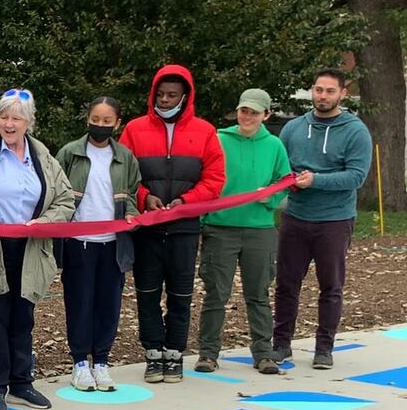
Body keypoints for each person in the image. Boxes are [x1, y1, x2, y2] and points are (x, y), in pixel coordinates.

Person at [0, 89, 74, 410]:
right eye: (3, 117)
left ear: (28, 121)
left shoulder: (44, 157)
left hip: (31, 248)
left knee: (23, 318)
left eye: (16, 117)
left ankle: (22, 382)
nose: (9, 124)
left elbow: (65, 200)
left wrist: (44, 221)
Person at [119, 65, 225, 384]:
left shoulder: (205, 132)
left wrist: (187, 201)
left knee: (181, 295)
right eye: (160, 94)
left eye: (172, 95)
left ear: (185, 97)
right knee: (147, 293)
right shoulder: (135, 130)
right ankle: (153, 353)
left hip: (184, 228)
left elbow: (215, 177)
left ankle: (174, 353)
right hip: (147, 229)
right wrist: (143, 197)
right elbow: (122, 173)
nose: (165, 100)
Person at [272, 69, 372, 370]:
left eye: (329, 91)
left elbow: (355, 177)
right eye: (318, 90)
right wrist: (285, 181)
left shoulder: (355, 131)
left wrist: (315, 180)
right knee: (286, 284)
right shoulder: (293, 128)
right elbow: (280, 167)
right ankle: (281, 344)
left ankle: (324, 348)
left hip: (335, 220)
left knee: (331, 286)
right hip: (295, 217)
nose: (322, 96)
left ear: (342, 93)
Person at [195, 89, 291, 375]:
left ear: (266, 115)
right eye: (243, 111)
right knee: (216, 293)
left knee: (258, 293)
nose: (247, 116)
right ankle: (208, 353)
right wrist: (202, 222)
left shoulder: (274, 145)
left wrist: (271, 199)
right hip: (220, 226)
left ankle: (263, 353)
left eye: (254, 112)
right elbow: (204, 178)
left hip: (259, 229)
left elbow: (284, 180)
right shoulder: (219, 139)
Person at [55, 97, 139, 392]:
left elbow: (132, 194)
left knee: (109, 304)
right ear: (87, 118)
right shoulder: (70, 153)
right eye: (95, 119)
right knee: (79, 303)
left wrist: (131, 214)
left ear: (117, 123)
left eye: (107, 121)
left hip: (113, 244)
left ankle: (101, 362)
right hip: (79, 242)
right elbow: (56, 192)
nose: (100, 125)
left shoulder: (125, 156)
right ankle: (79, 363)